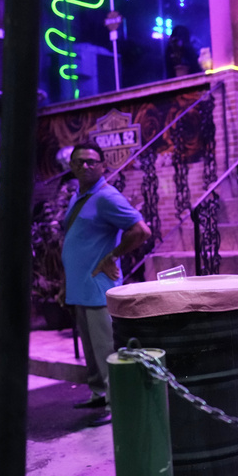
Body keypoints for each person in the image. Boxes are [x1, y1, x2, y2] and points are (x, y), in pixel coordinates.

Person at [61, 141, 151, 426]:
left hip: (99, 287)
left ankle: (117, 404)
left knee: (107, 352)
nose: (85, 166)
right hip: (80, 287)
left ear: (102, 166)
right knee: (92, 351)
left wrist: (113, 255)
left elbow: (140, 231)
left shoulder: (106, 197)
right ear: (72, 166)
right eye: (79, 161)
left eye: (91, 161)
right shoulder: (81, 195)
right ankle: (99, 393)